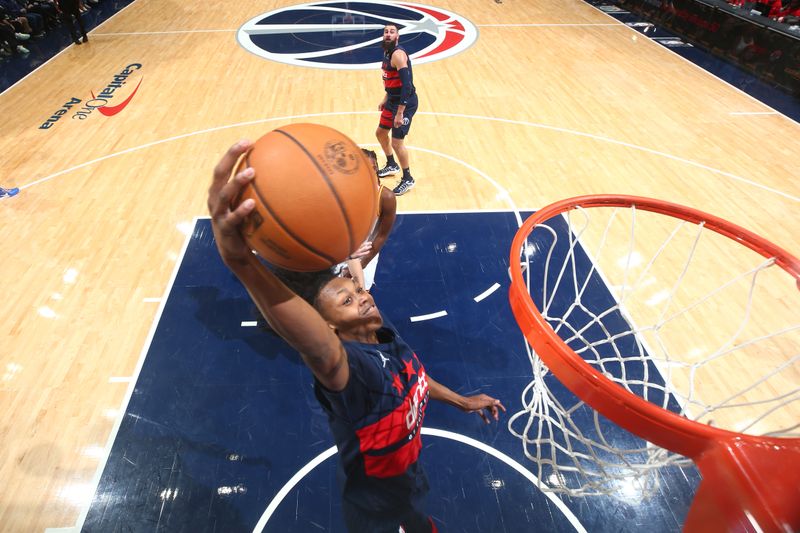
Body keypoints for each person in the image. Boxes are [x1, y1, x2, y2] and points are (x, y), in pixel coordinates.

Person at [209, 140, 505, 533]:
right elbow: (317, 347)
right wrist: (241, 262)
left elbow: (413, 378)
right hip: (375, 505)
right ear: (328, 325)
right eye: (347, 300)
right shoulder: (351, 373)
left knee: (419, 520)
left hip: (410, 478)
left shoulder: (384, 334)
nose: (362, 296)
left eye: (358, 290)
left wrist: (461, 400)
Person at [335, 148, 397, 291]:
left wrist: (361, 264)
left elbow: (381, 237)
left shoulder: (385, 197)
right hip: (340, 249)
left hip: (365, 253)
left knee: (360, 295)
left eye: (372, 168)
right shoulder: (342, 191)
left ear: (375, 169)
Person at [376, 23, 418, 196]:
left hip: (404, 104)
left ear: (397, 36)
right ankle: (391, 164)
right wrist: (386, 98)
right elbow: (390, 80)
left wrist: (400, 112)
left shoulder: (398, 55)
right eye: (386, 32)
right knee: (380, 133)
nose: (388, 34)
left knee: (397, 142)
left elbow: (407, 86)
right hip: (392, 101)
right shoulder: (387, 52)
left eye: (392, 32)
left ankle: (408, 178)